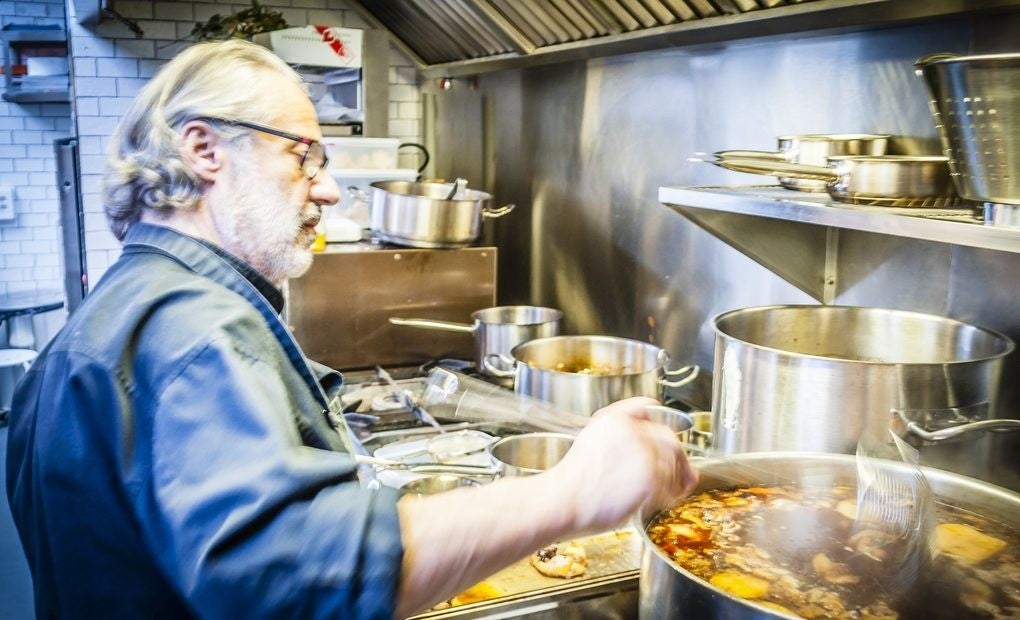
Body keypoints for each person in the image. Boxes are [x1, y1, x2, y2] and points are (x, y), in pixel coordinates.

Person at [5, 39, 698, 619]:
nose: (329, 188)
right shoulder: (191, 329)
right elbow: (301, 577)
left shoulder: (107, 323)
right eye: (303, 155)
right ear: (203, 151)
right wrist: (574, 492)